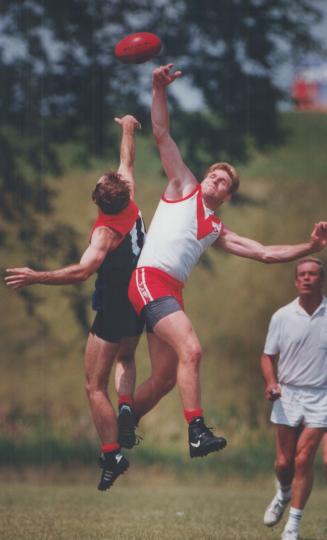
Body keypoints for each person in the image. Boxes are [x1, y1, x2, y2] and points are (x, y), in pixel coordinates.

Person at [128, 63, 327, 460]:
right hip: (148, 279)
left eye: (224, 182)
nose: (216, 181)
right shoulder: (183, 186)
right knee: (194, 350)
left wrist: (310, 247)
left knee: (167, 376)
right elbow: (162, 133)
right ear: (201, 179)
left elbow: (265, 253)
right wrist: (157, 88)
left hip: (172, 291)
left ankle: (121, 425)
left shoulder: (216, 227)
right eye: (213, 176)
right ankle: (197, 430)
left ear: (228, 196)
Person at [5, 115, 145, 491]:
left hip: (114, 305)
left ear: (98, 199)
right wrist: (128, 127)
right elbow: (127, 161)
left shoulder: (104, 232)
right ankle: (128, 405)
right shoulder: (129, 200)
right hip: (140, 298)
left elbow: (82, 272)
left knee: (94, 386)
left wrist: (35, 276)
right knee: (127, 358)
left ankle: (112, 455)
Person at [261, 257, 327, 540]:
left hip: (321, 395)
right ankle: (283, 492)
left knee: (303, 459)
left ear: (321, 279)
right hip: (287, 394)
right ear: (295, 280)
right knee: (284, 463)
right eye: (302, 274)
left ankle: (293, 526)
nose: (307, 278)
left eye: (312, 274)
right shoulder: (282, 316)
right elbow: (267, 356)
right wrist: (271, 382)